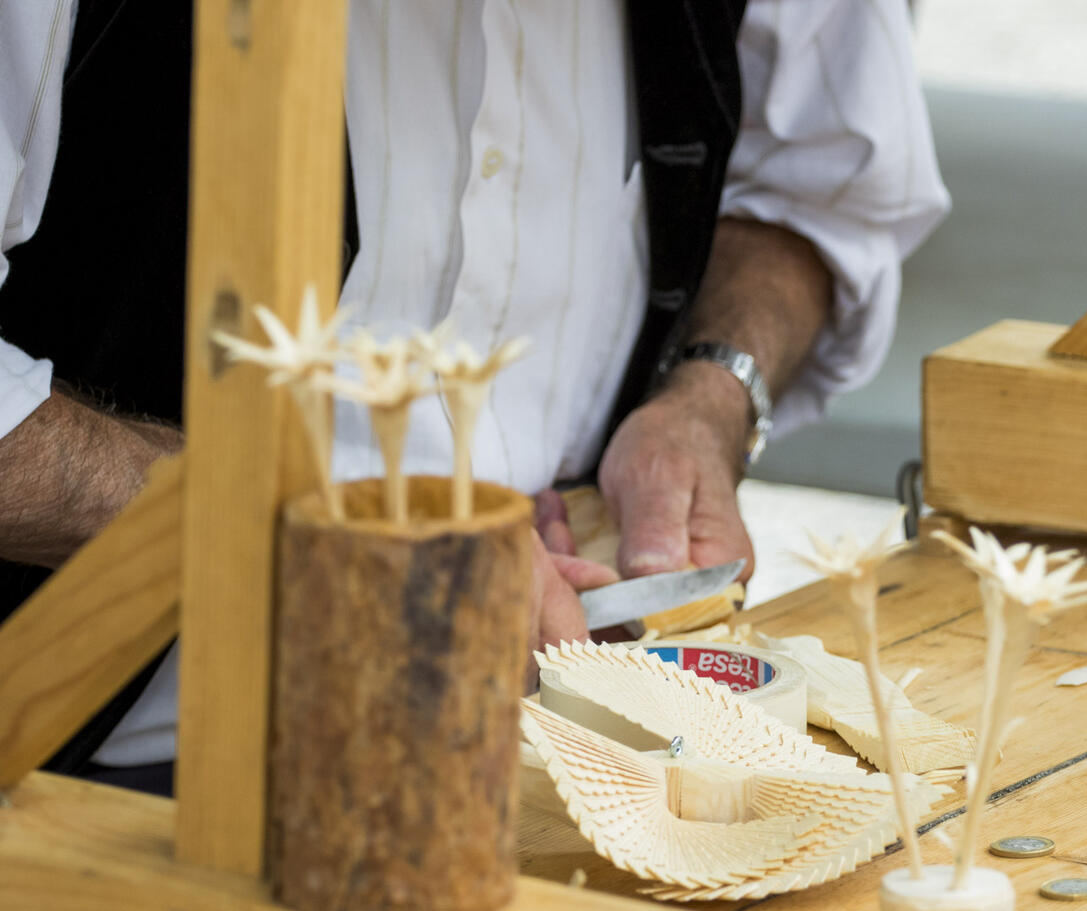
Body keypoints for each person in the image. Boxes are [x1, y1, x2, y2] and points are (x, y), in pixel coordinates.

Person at [0, 1, 948, 794]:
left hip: (576, 736)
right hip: (103, 774)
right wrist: (274, 539)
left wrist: (707, 396)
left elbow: (815, 188)